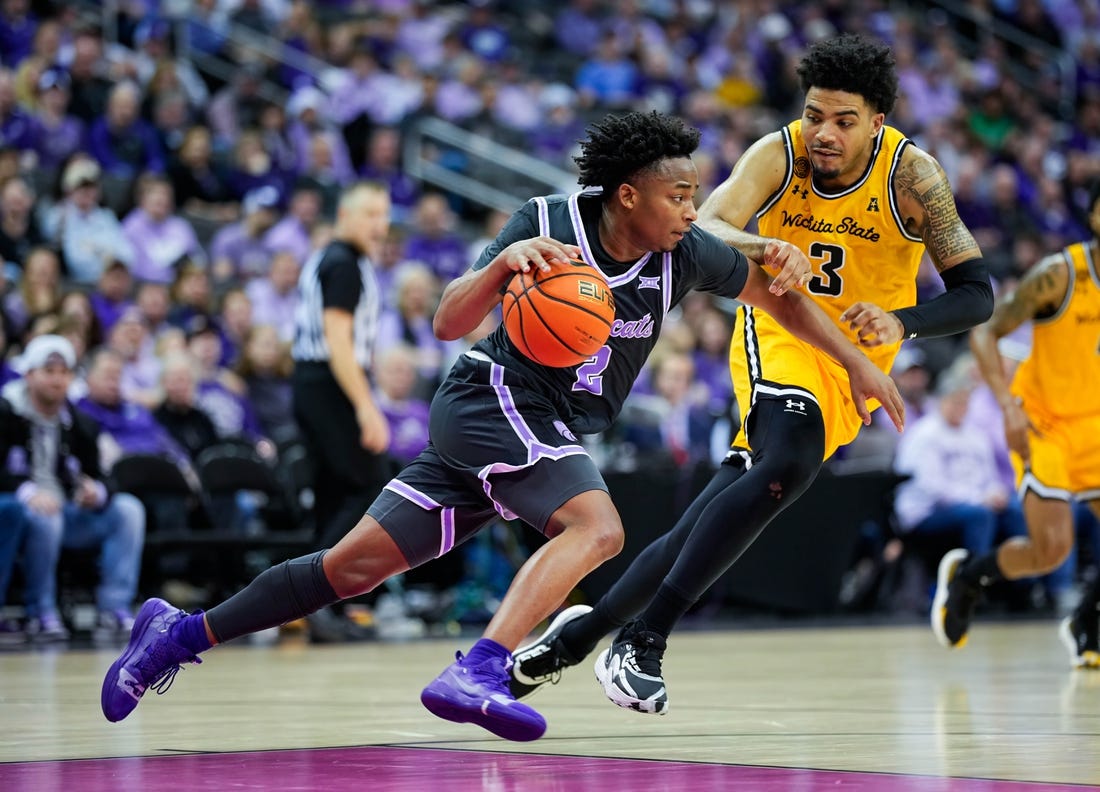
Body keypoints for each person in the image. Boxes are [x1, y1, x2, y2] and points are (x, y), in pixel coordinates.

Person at [100, 110, 902, 742]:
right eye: (681, 195)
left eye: (694, 195)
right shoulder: (546, 220)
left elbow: (780, 297)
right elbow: (451, 321)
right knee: (598, 527)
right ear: (630, 195)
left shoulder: (685, 252)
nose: (695, 210)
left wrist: (859, 364)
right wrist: (497, 270)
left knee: (349, 572)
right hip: (494, 398)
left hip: (538, 429)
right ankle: (479, 668)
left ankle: (175, 636)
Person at [507, 34, 992, 716]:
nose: (822, 132)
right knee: (783, 463)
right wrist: (763, 243)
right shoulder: (779, 152)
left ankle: (578, 636)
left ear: (877, 122)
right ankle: (642, 642)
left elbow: (977, 293)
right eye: (815, 114)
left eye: (843, 121)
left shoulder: (916, 177)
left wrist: (903, 322)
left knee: (721, 510)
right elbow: (706, 229)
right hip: (779, 331)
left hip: (854, 369)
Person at [934, 180, 1100, 668]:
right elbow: (987, 330)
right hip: (1045, 422)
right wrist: (1007, 405)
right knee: (1051, 551)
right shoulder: (1060, 274)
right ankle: (970, 575)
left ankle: (1086, 620)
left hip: (1095, 427)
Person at [0, 335, 146, 641]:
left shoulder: (80, 422)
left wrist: (97, 491)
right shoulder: (7, 412)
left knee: (128, 509)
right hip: (20, 509)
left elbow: (104, 475)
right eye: (49, 371)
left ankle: (113, 608)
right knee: (45, 513)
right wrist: (28, 492)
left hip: (67, 509)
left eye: (64, 372)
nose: (57, 380)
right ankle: (40, 611)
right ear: (29, 374)